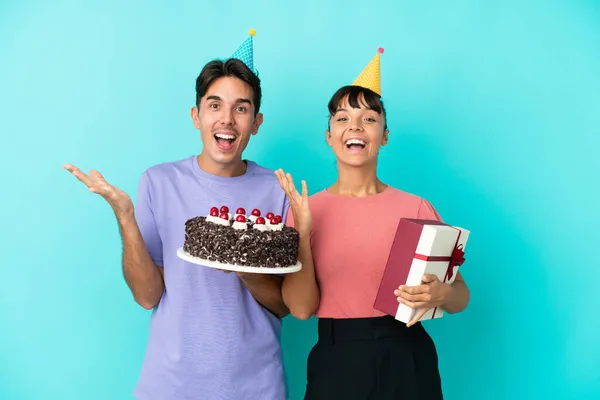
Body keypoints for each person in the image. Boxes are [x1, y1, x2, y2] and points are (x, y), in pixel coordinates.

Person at [64, 30, 291, 400]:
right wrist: (125, 216)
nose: (227, 120)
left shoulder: (277, 190)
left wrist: (242, 264)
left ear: (257, 121)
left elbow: (284, 306)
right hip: (172, 385)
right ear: (196, 116)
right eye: (215, 105)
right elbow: (147, 296)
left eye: (241, 108)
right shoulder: (159, 181)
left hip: (256, 387)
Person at [275, 48, 471, 400]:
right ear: (329, 136)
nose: (354, 126)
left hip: (408, 357)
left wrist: (442, 293)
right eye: (342, 118)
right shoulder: (306, 211)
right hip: (337, 363)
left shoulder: (417, 207)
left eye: (368, 118)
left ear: (384, 135)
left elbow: (461, 296)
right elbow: (301, 310)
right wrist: (302, 234)